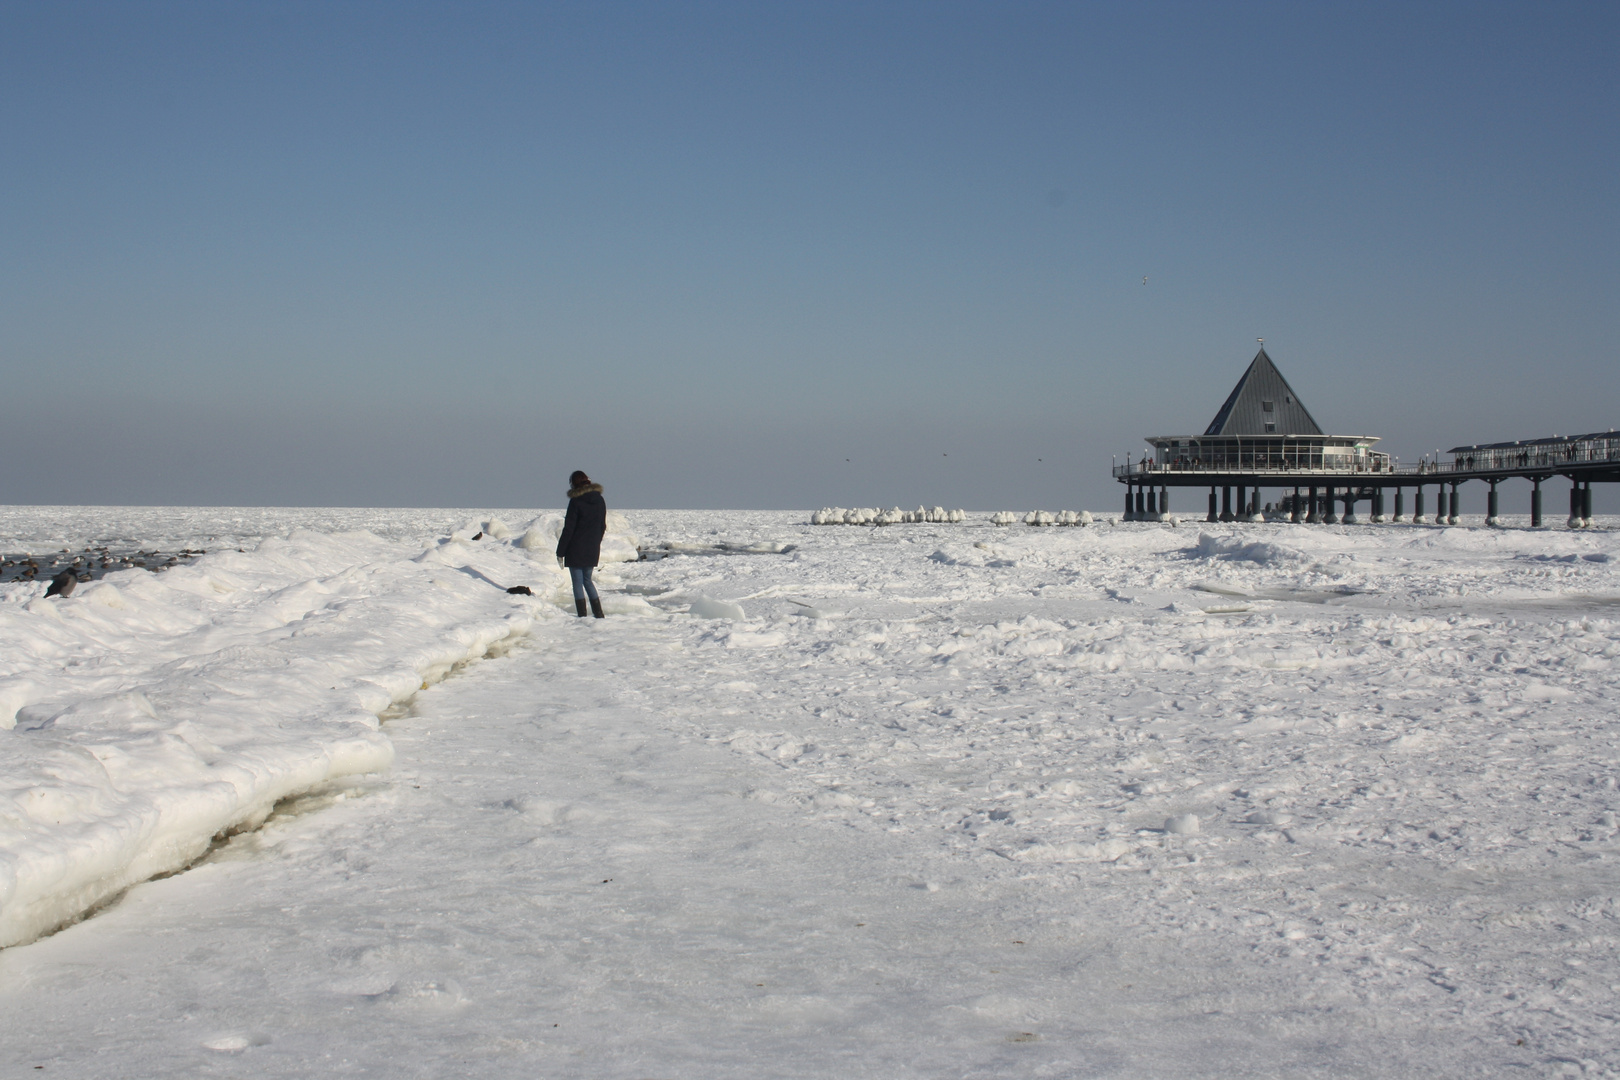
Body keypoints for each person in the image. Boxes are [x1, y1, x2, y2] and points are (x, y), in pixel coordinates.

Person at [556, 470, 608, 618]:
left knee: (577, 583)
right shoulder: (599, 500)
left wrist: (560, 552)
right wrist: (595, 542)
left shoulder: (576, 501)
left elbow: (569, 528)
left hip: (575, 548)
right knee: (587, 580)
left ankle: (582, 616)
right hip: (592, 548)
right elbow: (602, 526)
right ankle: (599, 614)